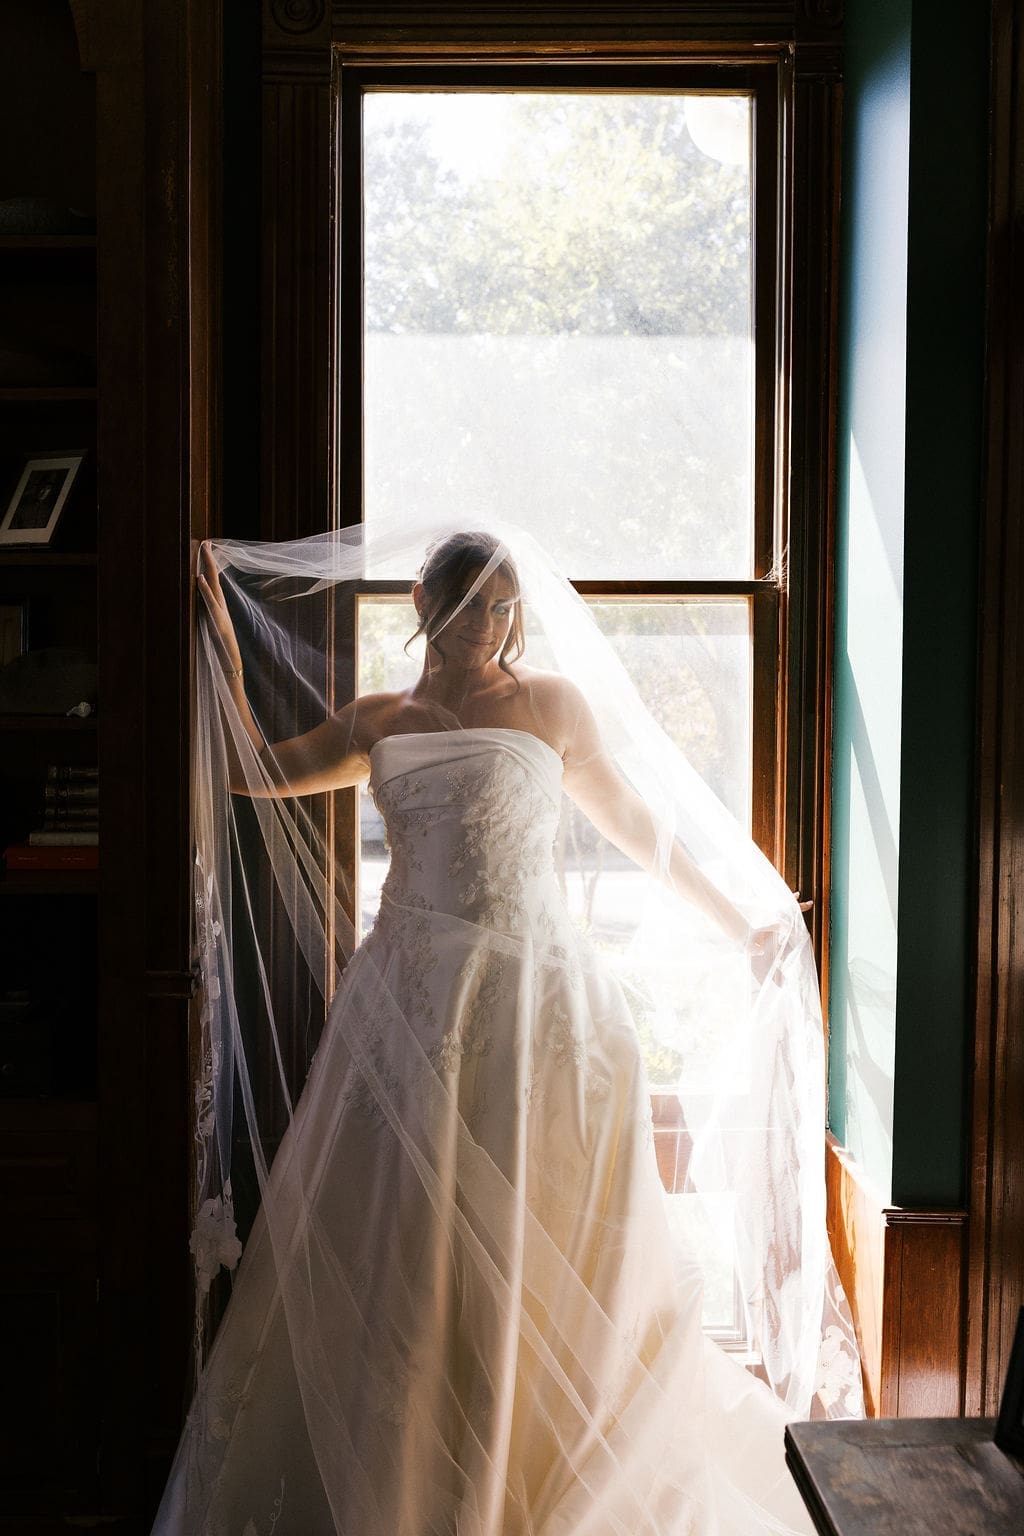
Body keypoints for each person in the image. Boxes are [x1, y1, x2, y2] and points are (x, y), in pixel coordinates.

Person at [152, 522, 862, 1536]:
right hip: (406, 1009)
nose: (487, 623)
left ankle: (535, 1463)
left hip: (537, 1007)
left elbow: (640, 829)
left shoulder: (552, 708)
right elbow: (254, 770)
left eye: (501, 605)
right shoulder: (377, 720)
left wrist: (738, 910)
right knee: (406, 1235)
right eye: (467, 603)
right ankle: (409, 1473)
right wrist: (215, 627)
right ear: (425, 608)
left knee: (545, 1233)